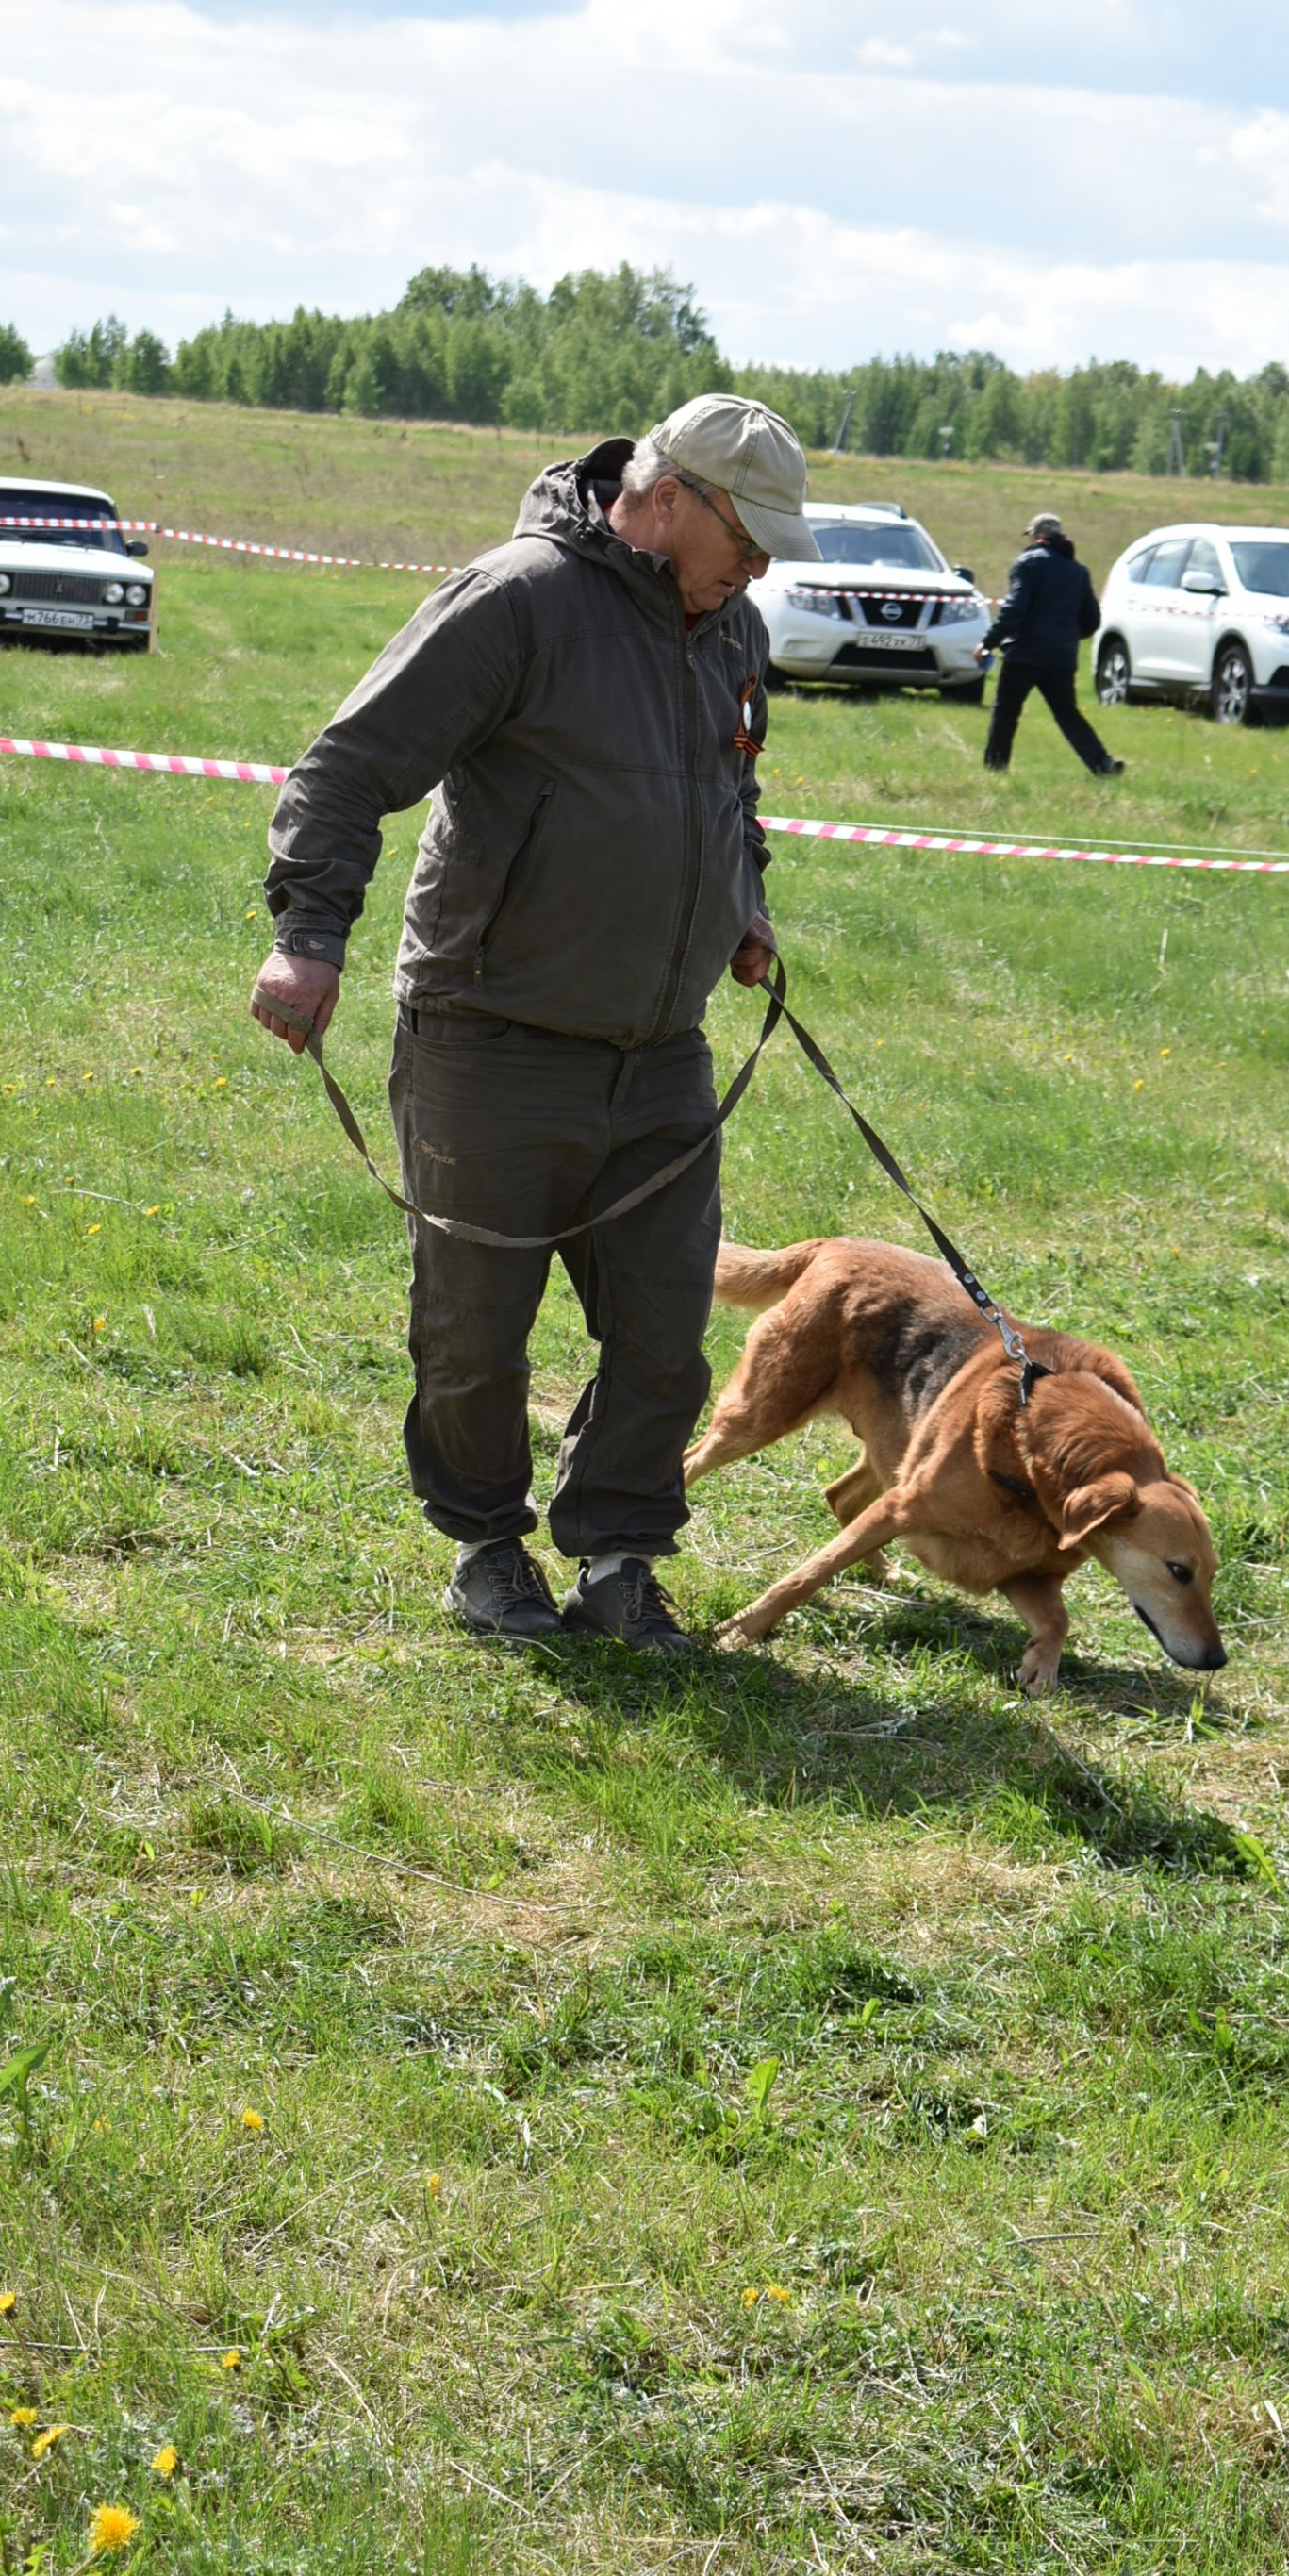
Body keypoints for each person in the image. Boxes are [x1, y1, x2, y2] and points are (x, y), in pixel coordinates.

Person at [249, 394, 821, 1652]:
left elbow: (733, 787)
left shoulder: (725, 630)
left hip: (659, 1051)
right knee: (476, 1328)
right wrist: (307, 939)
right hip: (490, 1035)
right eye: (752, 537)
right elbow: (346, 767)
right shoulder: (517, 599)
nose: (764, 569)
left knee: (667, 1329)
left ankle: (620, 1561)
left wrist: (745, 904)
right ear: (669, 502)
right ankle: (488, 1552)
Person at [978, 510, 1123, 778]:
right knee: (1068, 714)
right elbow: (1092, 620)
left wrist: (987, 643)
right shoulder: (1078, 571)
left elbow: (1014, 610)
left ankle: (995, 770)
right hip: (1061, 658)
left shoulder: (1027, 564)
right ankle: (1102, 765)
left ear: (1035, 536)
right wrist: (1065, 637)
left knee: (1006, 713)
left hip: (1024, 654)